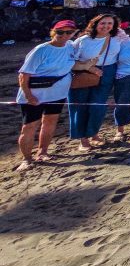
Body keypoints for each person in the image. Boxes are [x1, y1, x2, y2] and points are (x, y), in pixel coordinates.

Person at [15, 20, 80, 172]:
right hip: (35, 95)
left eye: (69, 32)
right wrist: (29, 96)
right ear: (53, 32)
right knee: (29, 126)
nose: (64, 35)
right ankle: (26, 159)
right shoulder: (41, 50)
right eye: (60, 32)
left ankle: (43, 152)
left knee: (50, 122)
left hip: (57, 93)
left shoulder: (70, 47)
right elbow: (24, 75)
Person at [69, 13, 123, 152]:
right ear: (95, 24)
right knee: (81, 105)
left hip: (108, 72)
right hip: (84, 73)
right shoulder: (84, 40)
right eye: (102, 23)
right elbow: (70, 60)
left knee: (98, 105)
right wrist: (90, 67)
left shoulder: (117, 38)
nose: (106, 26)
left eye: (109, 23)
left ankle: (93, 133)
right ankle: (83, 139)